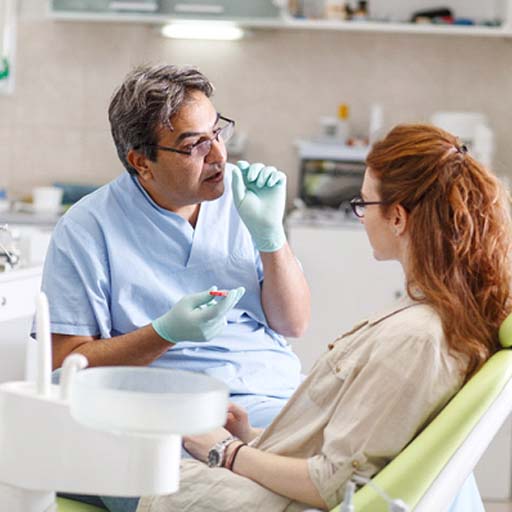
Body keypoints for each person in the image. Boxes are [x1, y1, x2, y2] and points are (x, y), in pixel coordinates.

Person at [134, 124, 512, 512]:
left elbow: (329, 483)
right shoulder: (432, 320)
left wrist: (225, 450)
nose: (361, 216)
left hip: (280, 502)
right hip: (280, 481)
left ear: (398, 217)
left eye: (364, 204)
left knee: (114, 469)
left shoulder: (417, 339)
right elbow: (357, 445)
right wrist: (253, 438)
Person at [39, 64, 310, 511]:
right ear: (141, 162)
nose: (219, 155)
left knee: (364, 465)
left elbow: (294, 322)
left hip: (268, 403)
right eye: (193, 146)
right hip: (163, 415)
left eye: (218, 132)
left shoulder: (241, 202)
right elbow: (65, 364)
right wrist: (164, 333)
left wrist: (271, 238)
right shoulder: (89, 228)